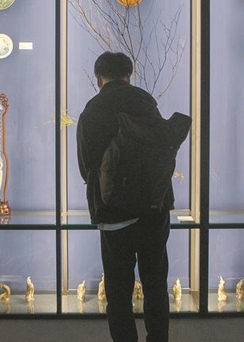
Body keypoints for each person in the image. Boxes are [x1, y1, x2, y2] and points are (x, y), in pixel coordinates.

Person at [77, 51, 171, 342]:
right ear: (129, 75)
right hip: (154, 207)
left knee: (118, 290)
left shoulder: (92, 111)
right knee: (155, 283)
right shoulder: (147, 104)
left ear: (98, 79)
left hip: (113, 211)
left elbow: (86, 166)